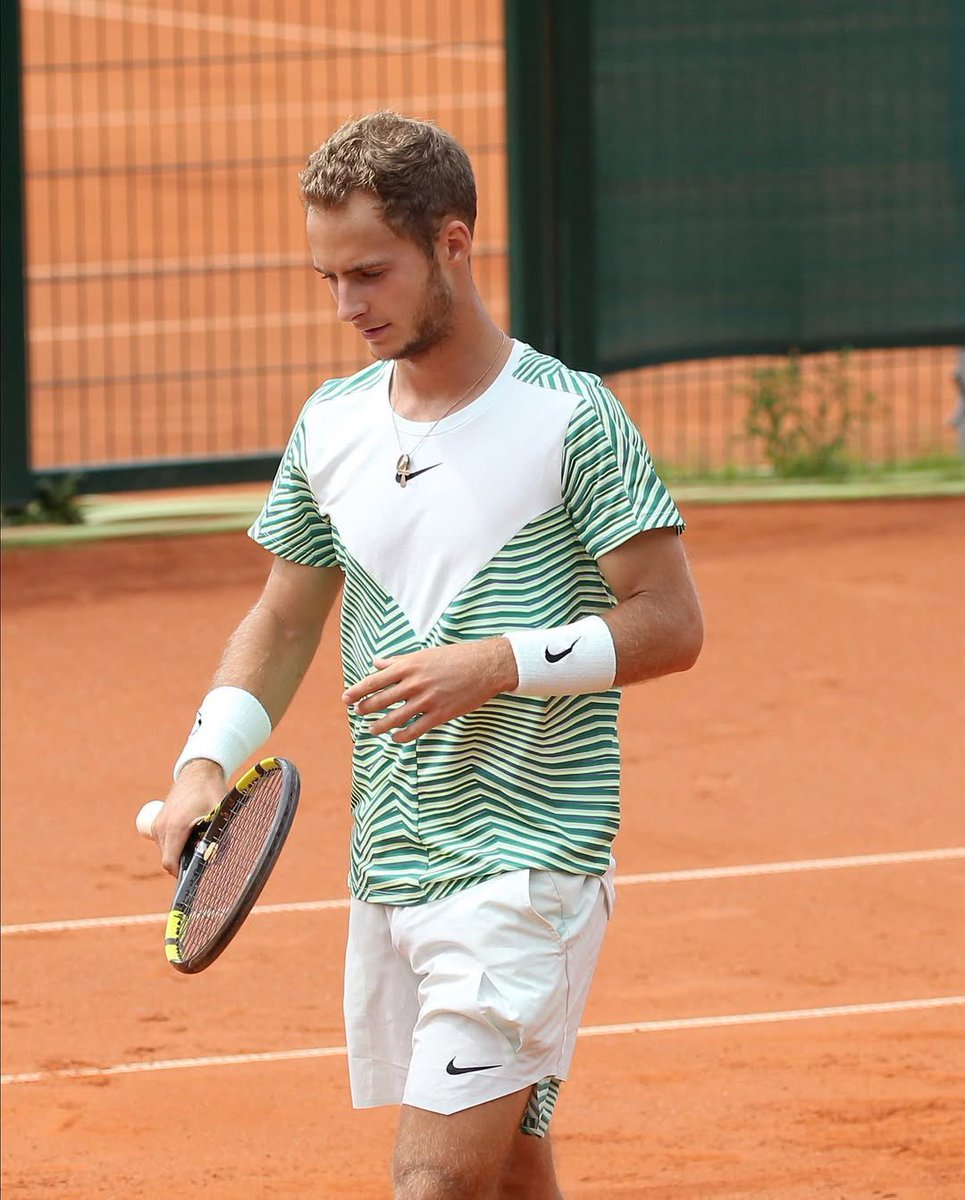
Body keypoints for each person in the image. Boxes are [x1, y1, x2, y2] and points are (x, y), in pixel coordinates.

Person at [152, 111, 703, 1200]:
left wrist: (497, 663)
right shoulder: (331, 425)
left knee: (433, 1182)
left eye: (370, 273)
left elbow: (670, 624)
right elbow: (283, 620)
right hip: (397, 861)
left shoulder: (568, 420)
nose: (347, 306)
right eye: (327, 279)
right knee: (506, 1175)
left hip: (531, 857)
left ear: (452, 243)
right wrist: (203, 762)